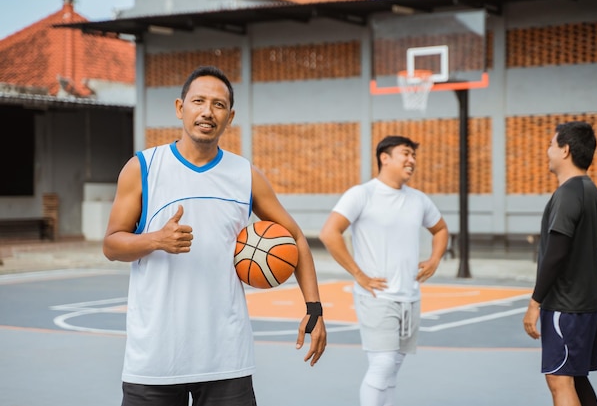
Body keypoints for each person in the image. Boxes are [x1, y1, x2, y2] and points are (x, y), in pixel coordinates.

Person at [103, 65, 327, 406]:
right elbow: (111, 245)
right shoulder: (144, 168)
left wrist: (314, 308)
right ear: (181, 108)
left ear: (230, 116)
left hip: (225, 356)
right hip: (155, 358)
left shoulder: (244, 175)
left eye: (219, 105)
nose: (208, 111)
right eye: (199, 101)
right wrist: (156, 240)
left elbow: (295, 237)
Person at [319, 135, 449, 406]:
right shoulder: (362, 194)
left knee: (392, 368)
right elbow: (330, 233)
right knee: (383, 363)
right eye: (406, 154)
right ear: (384, 158)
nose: (412, 160)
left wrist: (435, 258)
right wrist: (358, 273)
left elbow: (440, 229)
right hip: (377, 296)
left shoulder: (418, 200)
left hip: (410, 296)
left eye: (414, 155)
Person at [522, 121, 597, 406]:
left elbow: (556, 254)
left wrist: (535, 303)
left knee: (560, 380)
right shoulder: (589, 190)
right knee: (577, 378)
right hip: (587, 302)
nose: (547, 151)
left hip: (566, 306)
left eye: (551, 144)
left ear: (565, 150)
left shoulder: (568, 193)